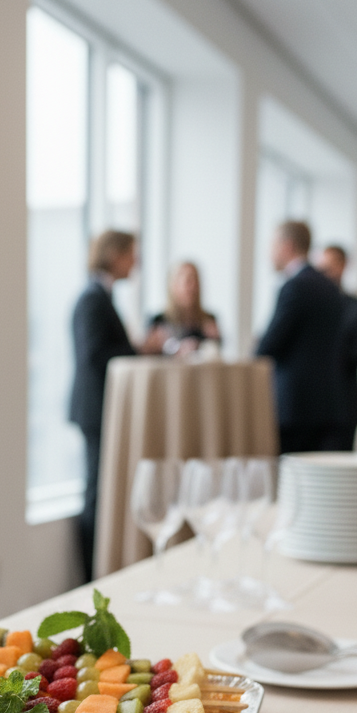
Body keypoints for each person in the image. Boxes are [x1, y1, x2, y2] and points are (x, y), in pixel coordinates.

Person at [69, 230, 165, 582]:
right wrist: (141, 350)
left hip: (100, 408)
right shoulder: (92, 299)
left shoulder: (100, 296)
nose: (135, 262)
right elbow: (96, 355)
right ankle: (90, 578)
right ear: (114, 255)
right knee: (96, 494)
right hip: (95, 409)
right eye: (131, 254)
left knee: (101, 490)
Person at [256, 220, 349, 454]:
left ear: (287, 246)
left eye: (273, 245)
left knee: (291, 478)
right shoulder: (330, 288)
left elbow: (270, 344)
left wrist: (256, 346)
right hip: (327, 403)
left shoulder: (294, 287)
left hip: (294, 405)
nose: (270, 253)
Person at [317, 244, 357, 451]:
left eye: (328, 267)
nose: (323, 274)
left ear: (343, 266)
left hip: (343, 407)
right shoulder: (308, 309)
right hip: (308, 409)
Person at [149, 261, 221, 357]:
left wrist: (215, 340)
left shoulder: (209, 321)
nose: (191, 287)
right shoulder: (159, 322)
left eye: (194, 280)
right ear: (173, 285)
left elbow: (215, 353)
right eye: (187, 281)